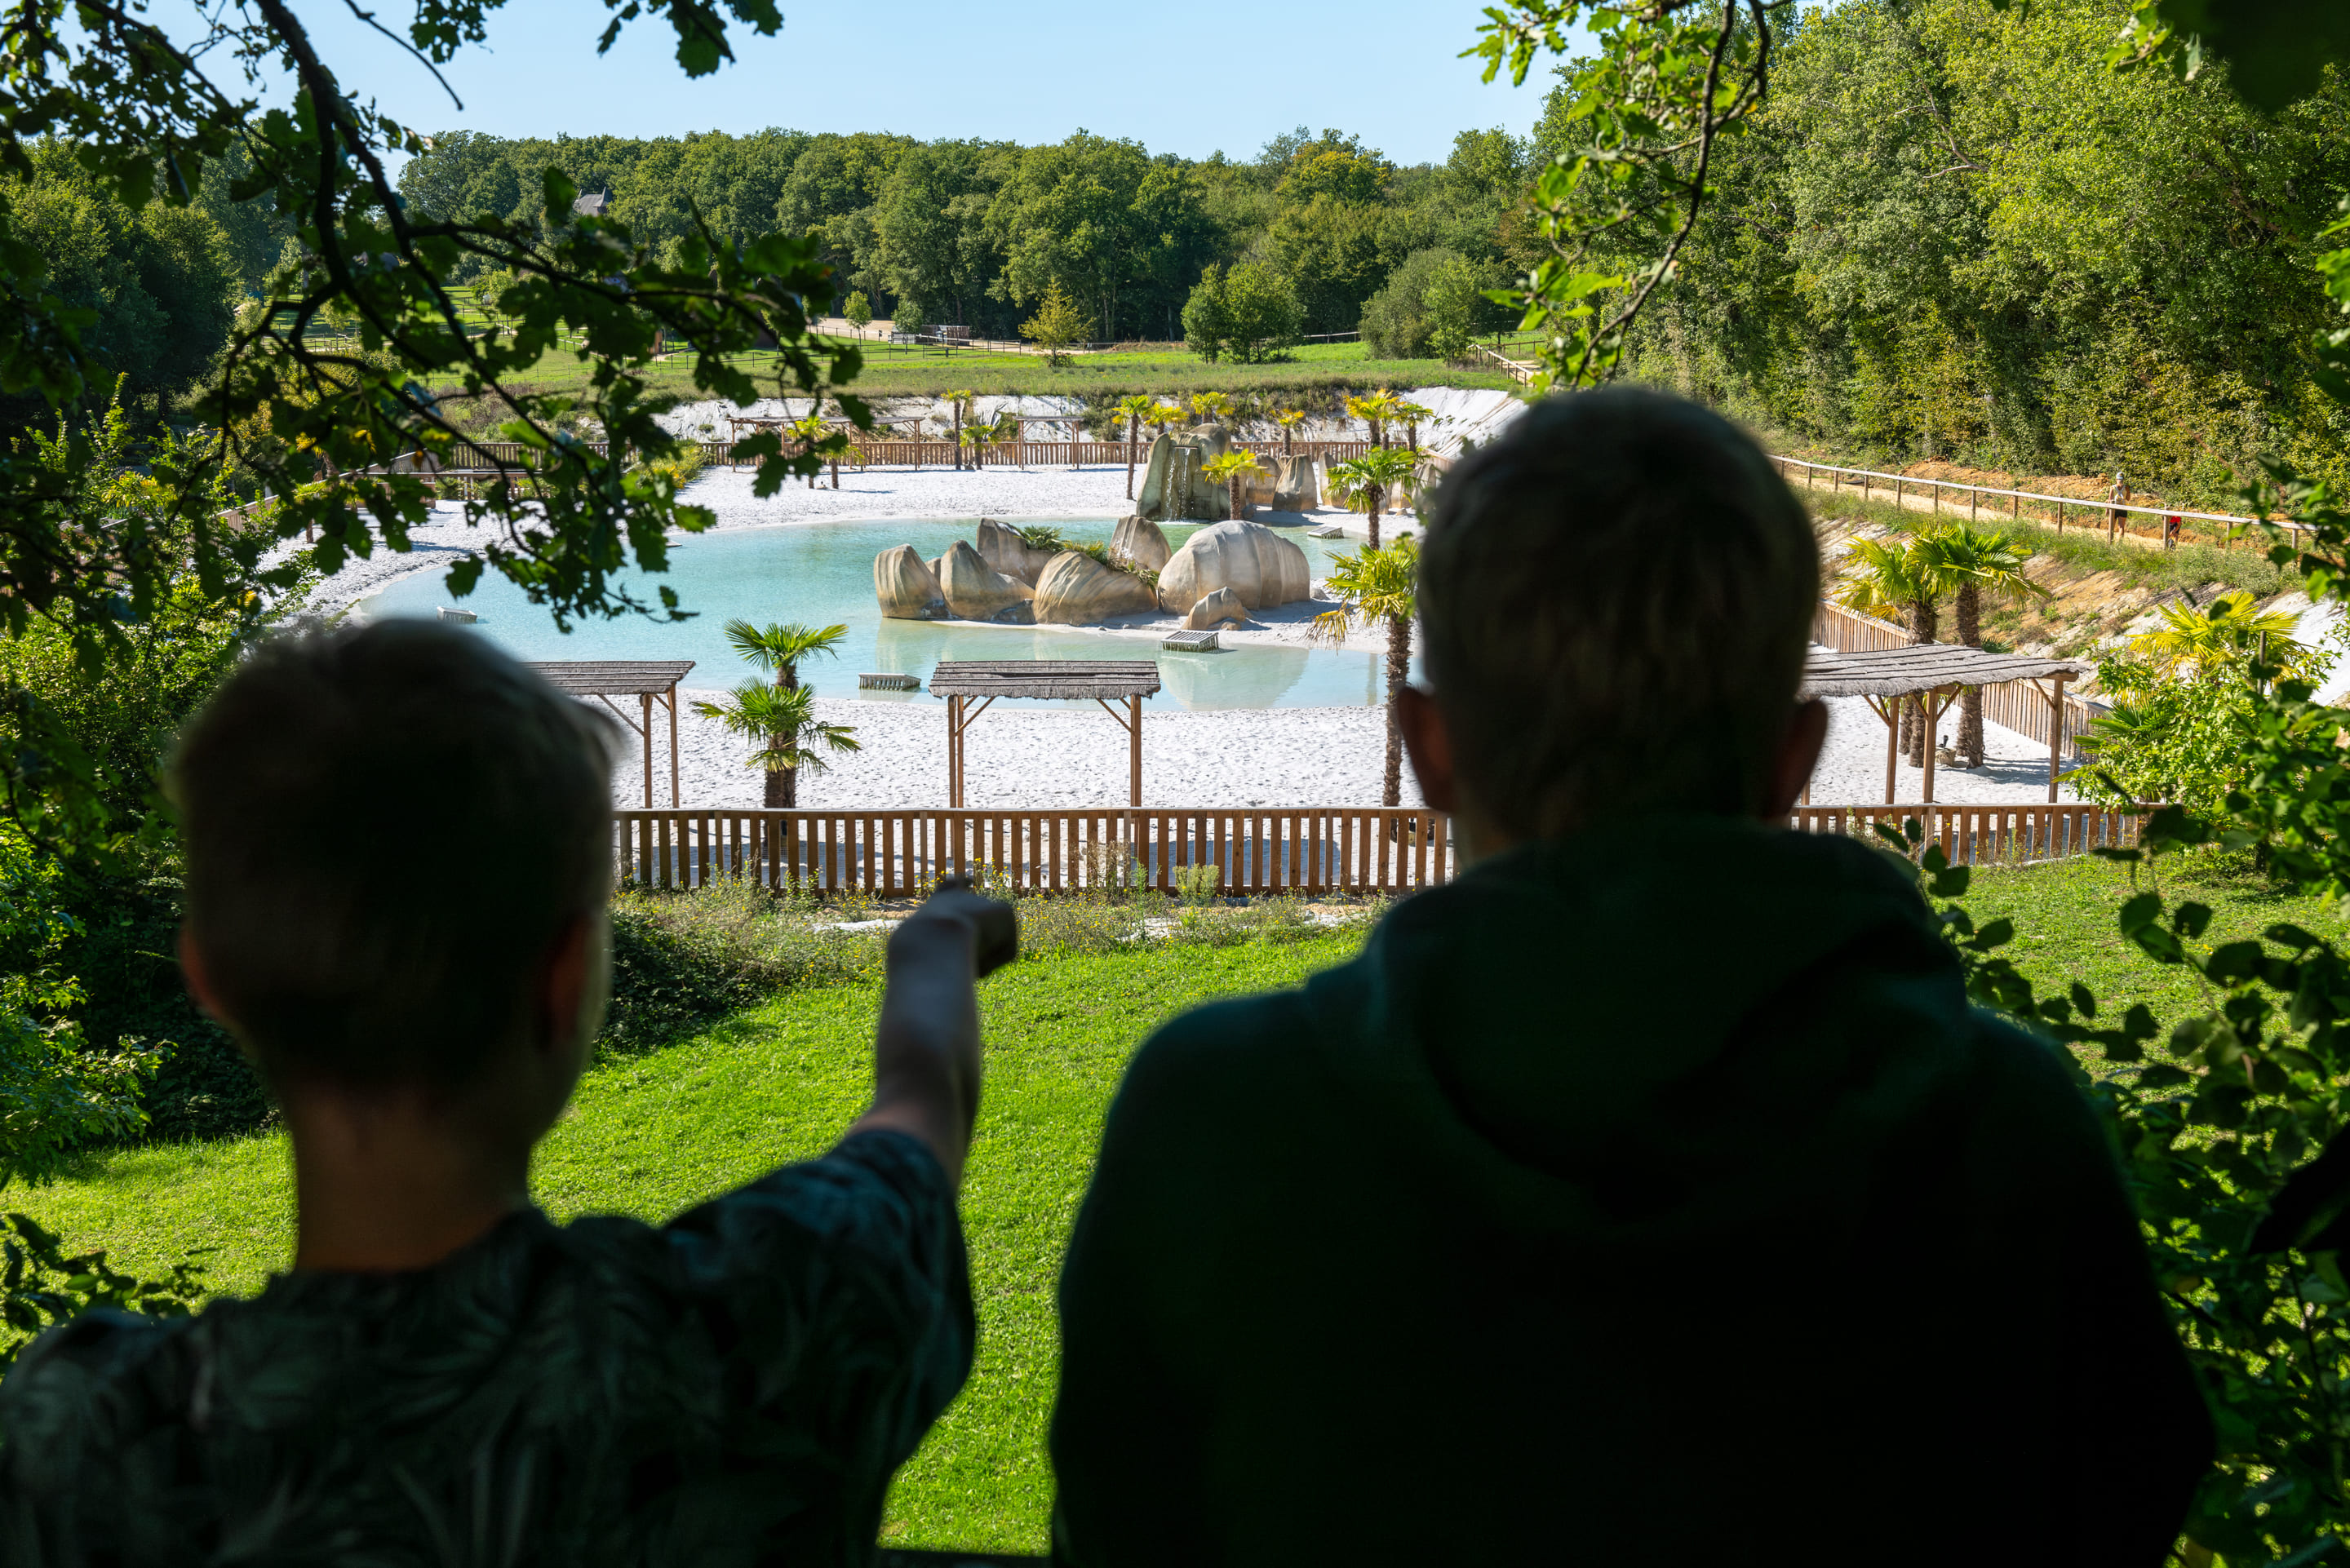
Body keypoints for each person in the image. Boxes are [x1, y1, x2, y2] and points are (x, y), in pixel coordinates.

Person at [1049, 389, 2211, 1568]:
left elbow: (1118, 1518)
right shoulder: (2004, 1128)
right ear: (1795, 761)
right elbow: (2122, 1495)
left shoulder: (1216, 1115)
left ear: (1428, 745)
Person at [0, 621, 1014, 1565]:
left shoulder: (78, 1440)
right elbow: (921, 1107)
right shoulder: (757, 1328)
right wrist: (937, 941)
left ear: (209, 976)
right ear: (564, 978)